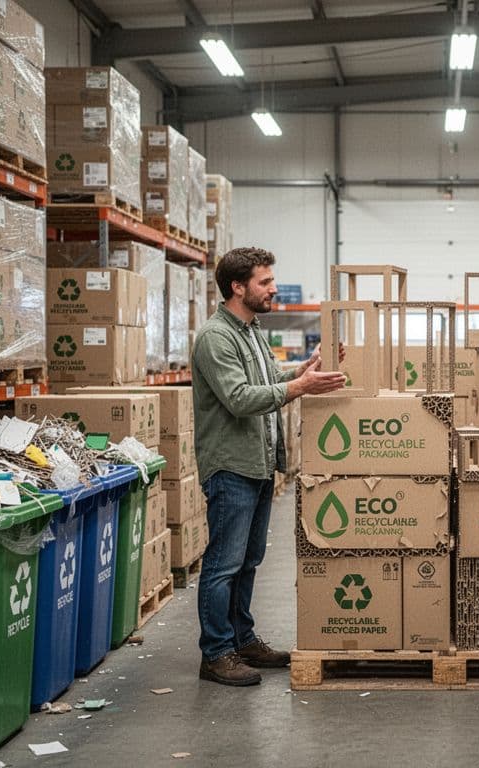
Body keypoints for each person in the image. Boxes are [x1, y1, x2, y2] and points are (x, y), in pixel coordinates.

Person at [191, 246, 347, 686]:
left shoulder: (253, 331)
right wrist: (301, 386)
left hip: (258, 465)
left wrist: (308, 369)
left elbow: (269, 381)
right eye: (265, 281)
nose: (273, 288)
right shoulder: (215, 337)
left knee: (248, 560)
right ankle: (216, 653)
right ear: (237, 287)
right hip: (231, 466)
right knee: (223, 562)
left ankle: (242, 640)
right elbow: (240, 398)